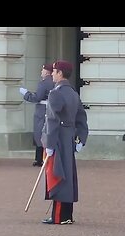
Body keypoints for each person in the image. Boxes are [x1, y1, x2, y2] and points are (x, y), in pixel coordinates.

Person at [40, 60, 89, 225]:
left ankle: (59, 216)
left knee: (59, 175)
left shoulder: (56, 93)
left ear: (60, 73)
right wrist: (81, 139)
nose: (52, 74)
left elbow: (52, 120)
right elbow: (82, 117)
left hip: (58, 138)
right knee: (68, 175)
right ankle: (67, 215)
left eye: (54, 72)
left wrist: (49, 144)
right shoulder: (73, 93)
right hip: (69, 138)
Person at [19, 64, 55, 167]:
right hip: (49, 110)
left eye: (43, 70)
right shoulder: (54, 82)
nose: (41, 72)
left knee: (40, 133)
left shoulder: (44, 83)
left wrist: (26, 94)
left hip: (42, 111)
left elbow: (37, 97)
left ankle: (40, 159)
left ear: (47, 72)